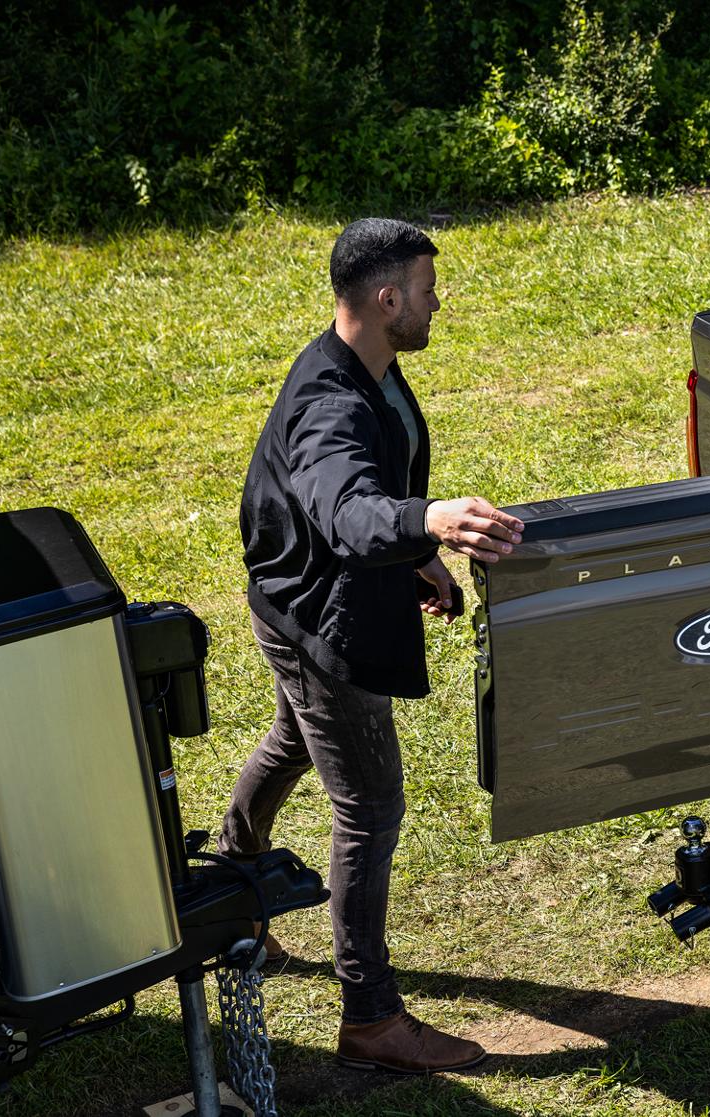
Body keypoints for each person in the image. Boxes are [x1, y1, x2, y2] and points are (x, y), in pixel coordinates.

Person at [225, 218, 525, 1074]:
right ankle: (370, 1017)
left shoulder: (369, 365)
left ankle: (230, 887)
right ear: (388, 298)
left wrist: (417, 553)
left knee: (293, 741)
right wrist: (428, 520)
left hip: (300, 597)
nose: (438, 303)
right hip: (319, 621)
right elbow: (346, 510)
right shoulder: (330, 401)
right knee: (369, 807)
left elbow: (373, 490)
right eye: (428, 290)